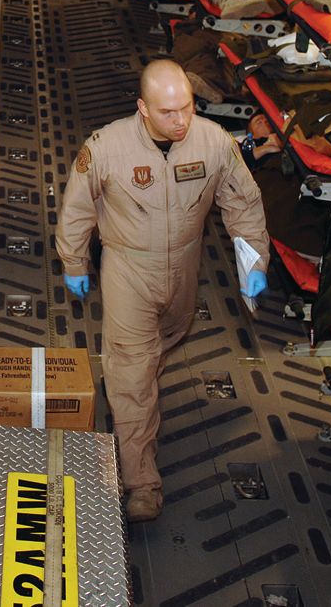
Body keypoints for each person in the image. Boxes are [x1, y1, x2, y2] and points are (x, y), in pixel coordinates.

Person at [55, 59, 269, 523]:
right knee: (132, 372)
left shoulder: (213, 141)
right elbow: (77, 208)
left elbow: (243, 202)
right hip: (128, 270)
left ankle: (141, 400)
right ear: (143, 108)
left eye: (187, 109)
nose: (180, 121)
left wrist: (253, 262)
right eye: (168, 112)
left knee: (161, 348)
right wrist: (74, 260)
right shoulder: (106, 147)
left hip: (185, 272)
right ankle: (142, 484)